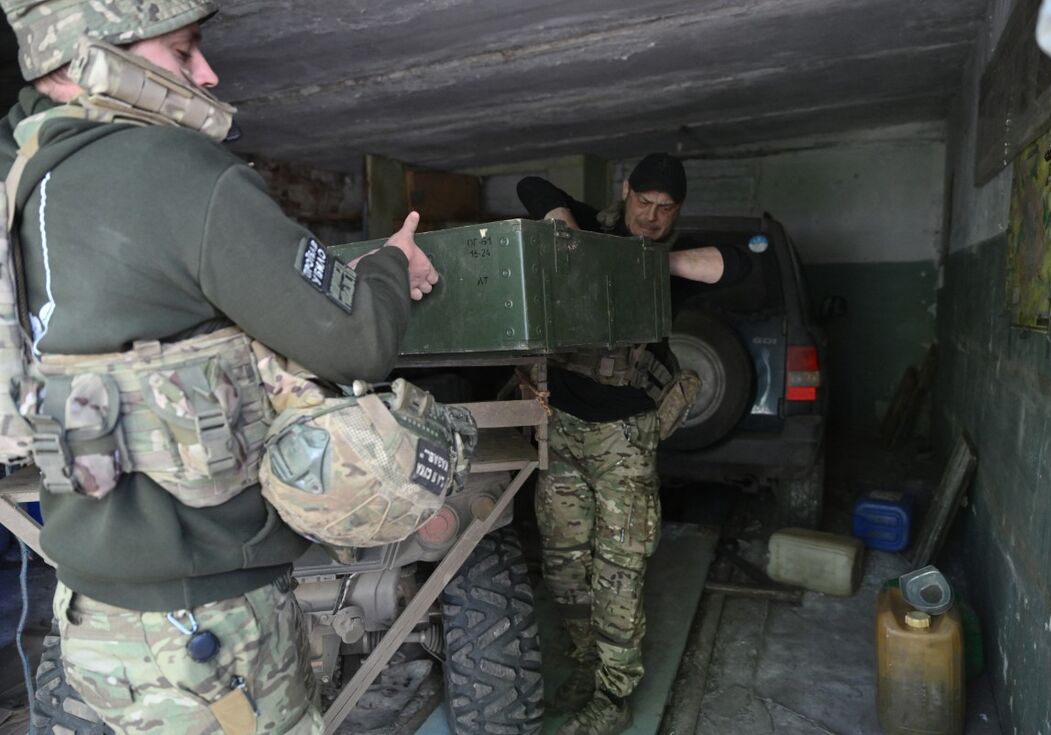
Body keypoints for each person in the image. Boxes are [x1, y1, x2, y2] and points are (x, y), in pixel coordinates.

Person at [0, 1, 437, 732]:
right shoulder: (175, 170)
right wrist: (392, 265)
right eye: (182, 50)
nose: (208, 73)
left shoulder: (21, 185)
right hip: (210, 629)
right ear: (90, 62)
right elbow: (357, 338)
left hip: (89, 616)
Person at [517, 153, 752, 735]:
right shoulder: (592, 227)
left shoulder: (670, 260)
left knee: (619, 567)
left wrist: (654, 266)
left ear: (678, 212)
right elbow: (531, 183)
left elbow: (743, 266)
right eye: (643, 203)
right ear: (625, 192)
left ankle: (613, 697)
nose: (651, 216)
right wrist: (576, 240)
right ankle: (584, 666)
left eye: (665, 209)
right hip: (562, 427)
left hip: (625, 436)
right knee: (566, 562)